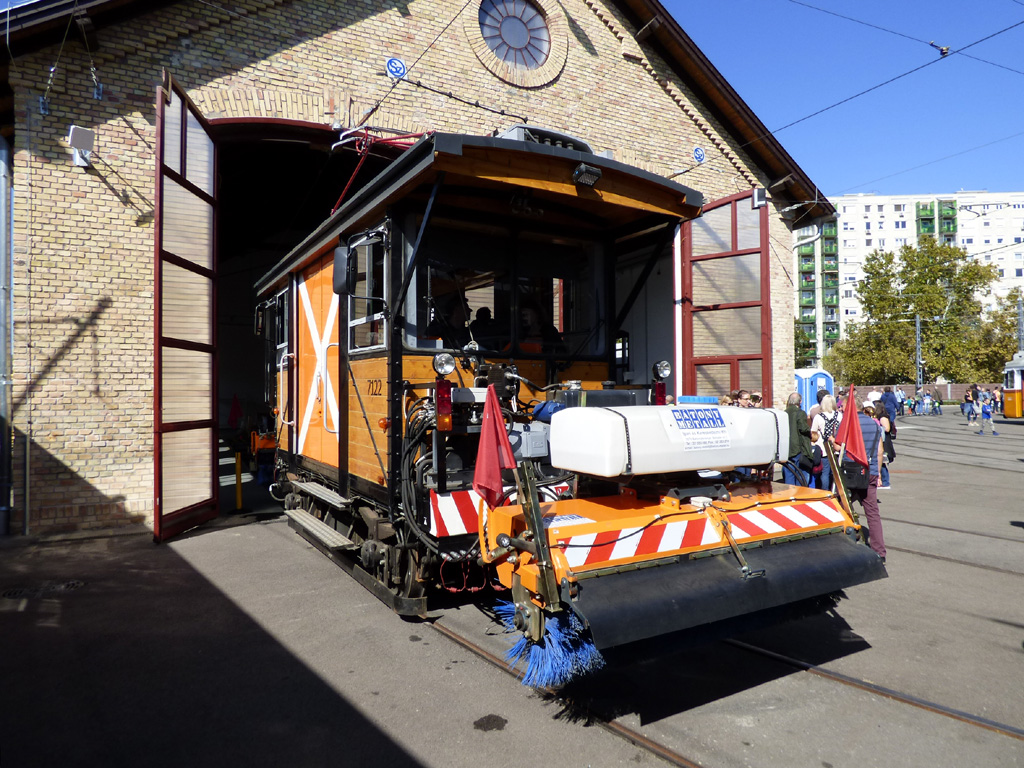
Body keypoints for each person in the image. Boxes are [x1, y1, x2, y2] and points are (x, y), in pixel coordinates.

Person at [842, 400, 886, 562]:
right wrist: (878, 472)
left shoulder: (848, 424)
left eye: (843, 407)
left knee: (841, 507)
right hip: (870, 471)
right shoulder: (874, 424)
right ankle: (879, 552)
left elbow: (840, 447)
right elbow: (880, 451)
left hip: (851, 472)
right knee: (873, 513)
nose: (841, 409)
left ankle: (843, 546)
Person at [811, 393, 841, 492]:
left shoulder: (818, 417)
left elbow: (813, 432)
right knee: (836, 472)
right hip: (836, 447)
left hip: (824, 449)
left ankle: (825, 492)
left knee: (825, 473)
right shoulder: (839, 415)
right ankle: (836, 491)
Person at [784, 392, 813, 486]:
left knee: (789, 472)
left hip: (786, 448)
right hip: (798, 447)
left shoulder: (784, 413)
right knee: (800, 473)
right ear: (800, 402)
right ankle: (799, 495)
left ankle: (789, 495)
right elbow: (803, 428)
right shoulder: (800, 413)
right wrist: (810, 431)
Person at [873, 402, 893, 489]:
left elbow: (887, 429)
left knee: (883, 461)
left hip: (885, 442)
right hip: (882, 440)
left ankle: (885, 482)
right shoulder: (881, 417)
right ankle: (884, 481)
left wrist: (880, 428)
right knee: (882, 461)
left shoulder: (883, 417)